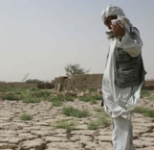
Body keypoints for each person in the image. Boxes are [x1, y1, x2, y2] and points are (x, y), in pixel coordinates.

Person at [101, 5, 146, 150]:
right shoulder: (112, 38)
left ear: (119, 17)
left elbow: (136, 48)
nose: (110, 24)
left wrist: (122, 35)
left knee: (121, 119)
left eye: (112, 19)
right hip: (113, 86)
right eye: (107, 22)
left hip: (124, 86)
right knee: (120, 121)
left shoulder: (130, 31)